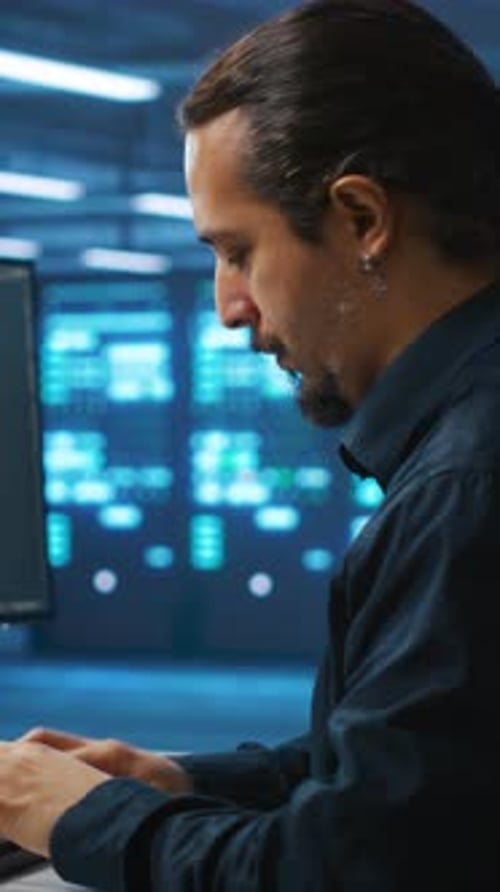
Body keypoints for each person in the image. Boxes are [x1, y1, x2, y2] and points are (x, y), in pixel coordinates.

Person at [1, 0, 500, 888]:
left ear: (361, 218)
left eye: (237, 251)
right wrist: (184, 784)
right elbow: (424, 785)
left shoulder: (463, 489)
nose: (229, 308)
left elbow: (336, 875)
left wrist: (83, 817)